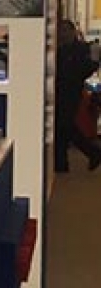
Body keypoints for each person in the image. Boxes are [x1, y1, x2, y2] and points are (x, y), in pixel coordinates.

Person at [54, 18, 101, 173]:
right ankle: (62, 163)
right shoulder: (59, 49)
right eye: (61, 30)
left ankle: (92, 152)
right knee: (62, 127)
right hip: (58, 91)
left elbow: (88, 68)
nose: (63, 34)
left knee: (65, 126)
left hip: (72, 91)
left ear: (73, 31)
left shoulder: (81, 49)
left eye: (66, 30)